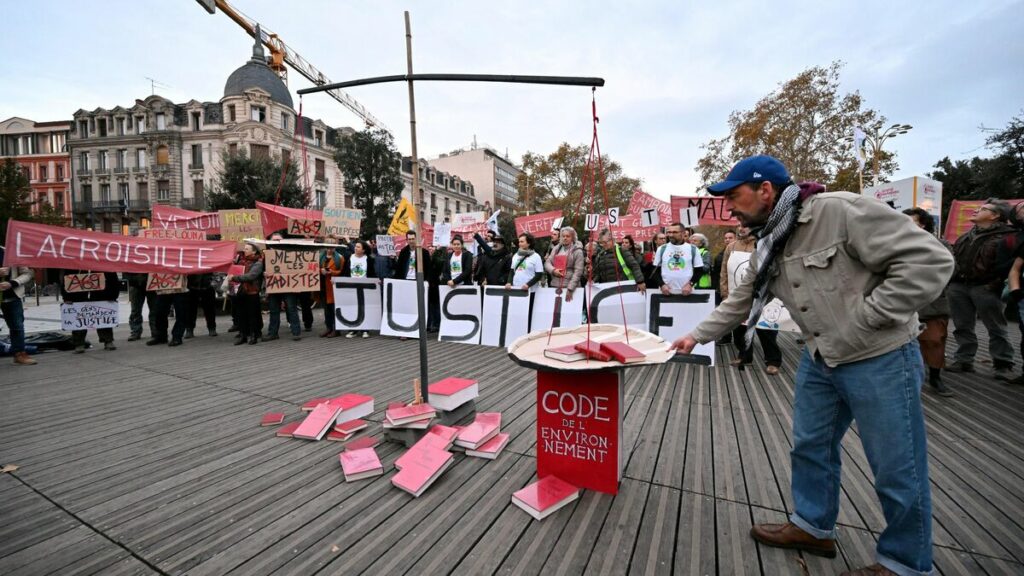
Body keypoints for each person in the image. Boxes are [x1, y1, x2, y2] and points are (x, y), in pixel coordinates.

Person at [672, 155, 953, 576]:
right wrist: (696, 336)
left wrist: (871, 316)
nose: (728, 206)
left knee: (897, 467)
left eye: (734, 195)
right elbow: (741, 300)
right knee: (811, 447)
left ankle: (906, 563)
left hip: (881, 358)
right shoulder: (770, 238)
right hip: (821, 358)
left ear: (765, 190)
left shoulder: (840, 210)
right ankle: (813, 527)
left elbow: (930, 262)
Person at [946, 200, 1016, 378]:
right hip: (959, 286)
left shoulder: (1008, 236)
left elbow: (1011, 265)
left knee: (996, 327)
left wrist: (995, 284)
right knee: (962, 326)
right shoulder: (966, 235)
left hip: (987, 287)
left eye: (983, 209)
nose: (977, 210)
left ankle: (1003, 364)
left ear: (995, 215)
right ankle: (964, 360)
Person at [903, 208, 954, 397]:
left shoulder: (939, 245)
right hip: (903, 302)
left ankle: (935, 377)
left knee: (934, 340)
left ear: (922, 224)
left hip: (931, 303)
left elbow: (947, 271)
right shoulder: (895, 243)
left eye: (910, 221)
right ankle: (907, 378)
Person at [720, 226, 781, 375]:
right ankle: (744, 356)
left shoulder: (765, 242)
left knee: (766, 329)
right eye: (739, 226)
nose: (741, 228)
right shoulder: (732, 246)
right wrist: (725, 292)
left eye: (745, 226)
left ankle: (773, 361)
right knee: (740, 328)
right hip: (738, 293)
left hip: (764, 294)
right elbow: (724, 270)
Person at [61, 269, 121, 354]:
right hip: (78, 294)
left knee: (102, 317)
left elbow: (112, 277)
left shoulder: (102, 262)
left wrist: (113, 294)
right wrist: (66, 296)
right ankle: (79, 343)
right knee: (79, 319)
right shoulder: (75, 262)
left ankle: (108, 340)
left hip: (101, 294)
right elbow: (67, 278)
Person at [0, 247, 36, 365]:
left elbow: (27, 273)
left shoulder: (10, 252)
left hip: (12, 296)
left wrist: (13, 283)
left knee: (17, 326)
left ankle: (20, 354)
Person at [265, 232, 302, 342]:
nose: (276, 241)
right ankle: (273, 333)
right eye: (274, 240)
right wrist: (264, 273)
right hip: (273, 285)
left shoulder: (290, 253)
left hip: (288, 286)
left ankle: (296, 332)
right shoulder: (266, 255)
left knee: (291, 308)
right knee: (273, 310)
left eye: (278, 240)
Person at [651, 222, 702, 295]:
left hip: (687, 292)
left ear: (683, 233)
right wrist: (662, 285)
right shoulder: (662, 249)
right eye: (669, 232)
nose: (671, 235)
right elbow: (655, 270)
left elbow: (699, 270)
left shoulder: (693, 249)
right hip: (666, 292)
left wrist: (690, 284)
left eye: (675, 232)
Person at [231, 242, 265, 345]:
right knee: (241, 314)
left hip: (252, 292)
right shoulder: (240, 260)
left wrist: (234, 277)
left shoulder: (258, 263)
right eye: (244, 248)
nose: (244, 250)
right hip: (240, 292)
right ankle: (243, 335)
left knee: (252, 315)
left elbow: (251, 276)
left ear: (254, 251)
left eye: (247, 249)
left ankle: (254, 335)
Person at [342, 239, 376, 338]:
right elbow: (345, 272)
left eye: (358, 247)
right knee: (352, 307)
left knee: (364, 307)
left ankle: (365, 329)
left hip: (364, 287)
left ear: (363, 250)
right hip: (351, 287)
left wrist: (375, 281)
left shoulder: (368, 259)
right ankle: (353, 329)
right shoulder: (350, 257)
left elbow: (372, 273)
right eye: (355, 247)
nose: (356, 248)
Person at [543, 226, 585, 302]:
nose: (565, 238)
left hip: (571, 288)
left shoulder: (578, 251)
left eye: (568, 236)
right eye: (563, 236)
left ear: (573, 237)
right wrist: (553, 270)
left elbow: (578, 272)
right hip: (555, 285)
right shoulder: (556, 249)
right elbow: (547, 263)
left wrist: (570, 288)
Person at [318, 243, 344, 338]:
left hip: (333, 287)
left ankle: (336, 329)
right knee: (326, 309)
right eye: (328, 247)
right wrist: (320, 271)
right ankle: (328, 327)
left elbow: (342, 272)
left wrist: (331, 272)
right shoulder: (320, 257)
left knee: (334, 308)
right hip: (323, 286)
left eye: (332, 247)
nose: (329, 249)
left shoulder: (339, 258)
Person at [185, 272, 218, 339]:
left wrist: (214, 280)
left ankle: (212, 328)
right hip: (191, 285)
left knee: (210, 309)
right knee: (190, 309)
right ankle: (189, 329)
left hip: (208, 285)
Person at [124, 272, 154, 341]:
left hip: (150, 281)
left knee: (154, 310)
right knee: (135, 310)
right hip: (135, 283)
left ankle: (154, 331)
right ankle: (135, 331)